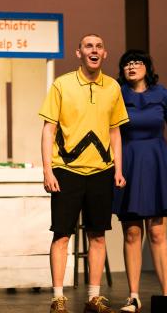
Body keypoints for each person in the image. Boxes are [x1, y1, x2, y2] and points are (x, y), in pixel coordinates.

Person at [39, 33, 129, 313]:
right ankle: (58, 298)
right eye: (88, 46)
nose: (94, 50)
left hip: (101, 171)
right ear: (79, 53)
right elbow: (48, 130)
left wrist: (118, 168)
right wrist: (47, 170)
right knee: (62, 235)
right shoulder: (62, 84)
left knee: (98, 235)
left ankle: (93, 297)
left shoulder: (113, 87)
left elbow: (115, 130)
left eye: (99, 46)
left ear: (105, 54)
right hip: (66, 170)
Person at [112, 49, 167, 313]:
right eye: (127, 64)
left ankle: (166, 297)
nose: (132, 67)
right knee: (132, 232)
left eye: (137, 62)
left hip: (158, 164)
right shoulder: (117, 95)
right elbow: (112, 135)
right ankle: (133, 296)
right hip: (129, 164)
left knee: (157, 232)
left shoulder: (163, 95)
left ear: (147, 67)